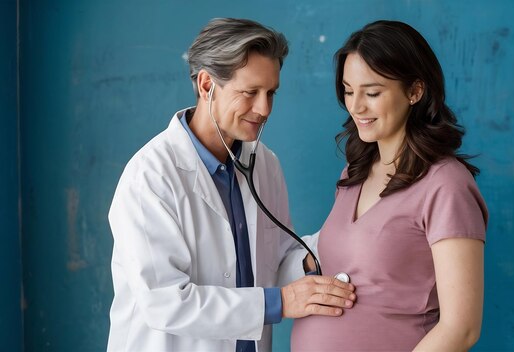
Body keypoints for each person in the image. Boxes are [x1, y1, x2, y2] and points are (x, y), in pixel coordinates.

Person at [107, 18, 356, 352]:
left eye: (271, 93)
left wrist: (319, 255)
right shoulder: (151, 177)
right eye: (250, 92)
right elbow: (165, 302)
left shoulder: (264, 164)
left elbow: (275, 263)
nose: (264, 108)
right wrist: (279, 302)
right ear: (207, 85)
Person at [291, 20, 488, 351]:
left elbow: (461, 328)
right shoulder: (352, 174)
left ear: (414, 91)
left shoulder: (446, 185)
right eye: (348, 91)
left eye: (372, 92)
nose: (356, 107)